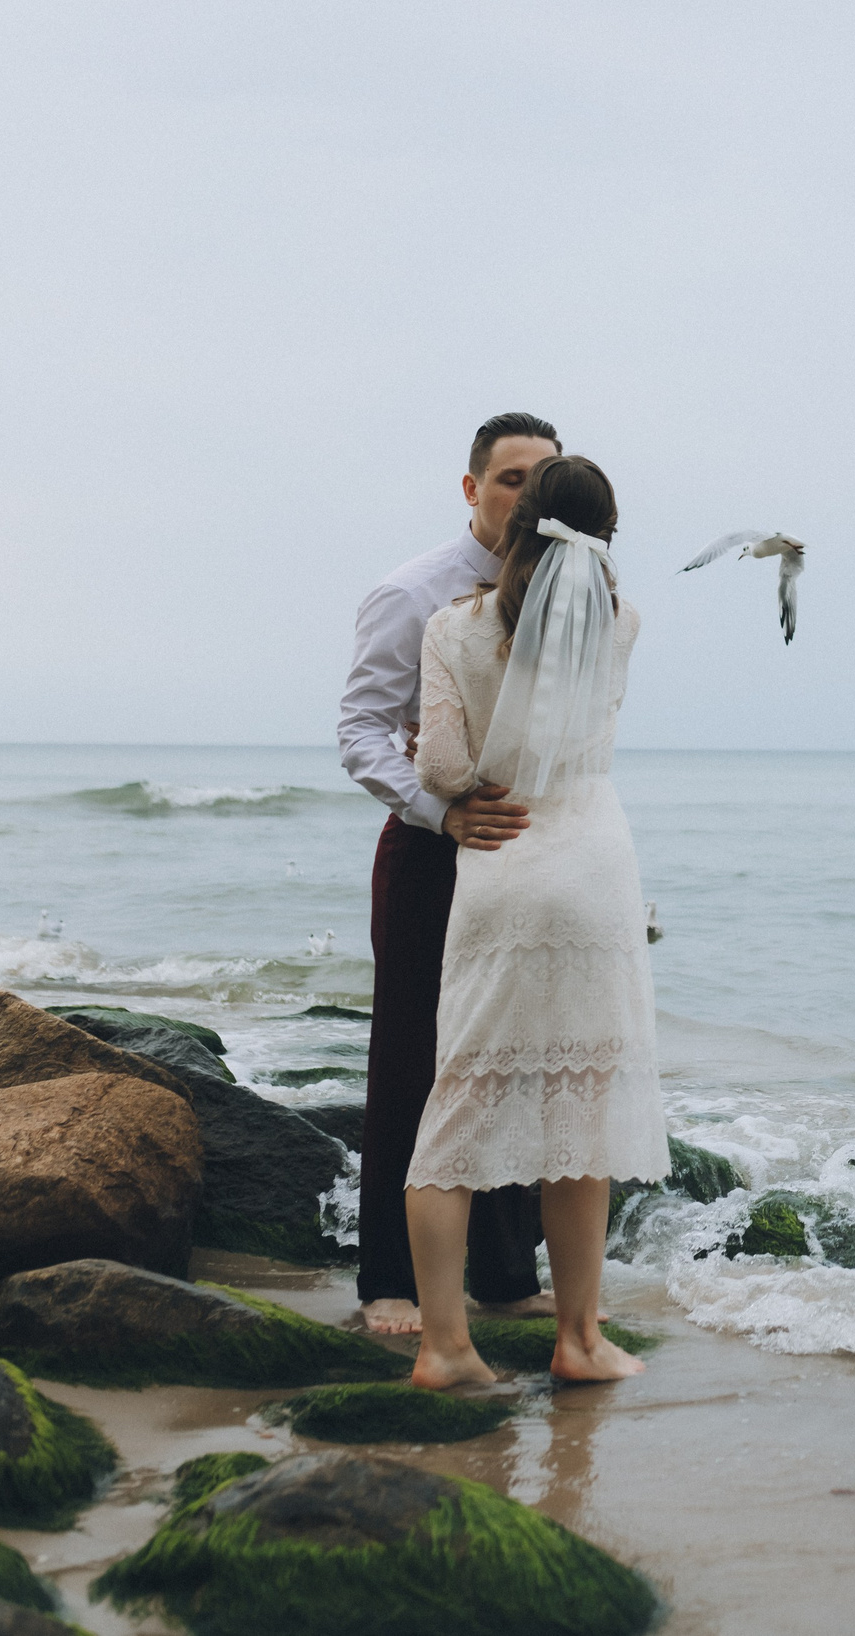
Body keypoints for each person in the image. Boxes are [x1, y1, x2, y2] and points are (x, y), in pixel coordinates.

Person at [404, 452, 672, 1386]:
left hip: (500, 863)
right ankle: (580, 1341)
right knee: (583, 1111)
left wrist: (466, 786)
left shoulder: (452, 627)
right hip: (593, 865)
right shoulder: (623, 623)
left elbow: (439, 768)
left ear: (516, 525)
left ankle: (444, 1346)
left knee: (459, 1102)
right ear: (605, 537)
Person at [336, 412, 560, 1333]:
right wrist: (444, 810)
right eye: (511, 479)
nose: (526, 496)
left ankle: (504, 1275)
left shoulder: (563, 591)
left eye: (543, 480)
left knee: (511, 1058)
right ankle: (388, 1277)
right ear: (472, 489)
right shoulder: (412, 592)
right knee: (414, 1058)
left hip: (525, 849)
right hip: (431, 852)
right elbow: (360, 733)